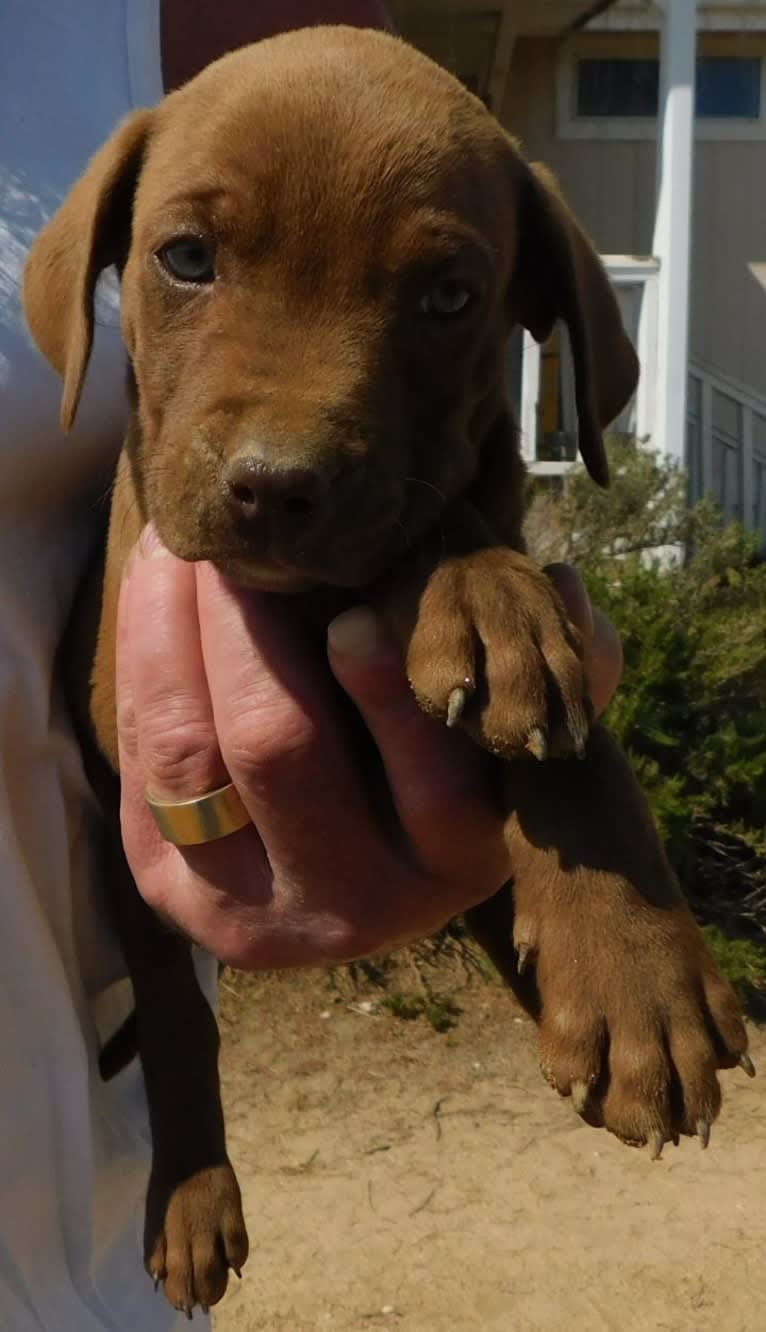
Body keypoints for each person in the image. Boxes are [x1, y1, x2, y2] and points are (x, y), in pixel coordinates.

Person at [0, 2, 622, 1328]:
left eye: (440, 296)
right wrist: (189, 1112)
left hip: (84, 1253)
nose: (284, 437)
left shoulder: (198, 35)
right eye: (187, 259)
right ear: (100, 265)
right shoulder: (149, 153)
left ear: (538, 310)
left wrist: (587, 858)